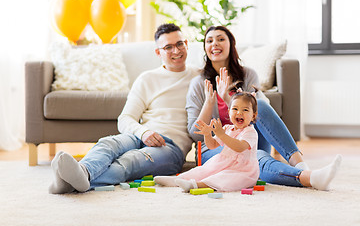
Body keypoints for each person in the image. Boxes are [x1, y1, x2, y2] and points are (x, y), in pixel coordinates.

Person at [184, 25, 341, 191]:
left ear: (231, 44)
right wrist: (210, 102)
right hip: (215, 150)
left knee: (261, 106)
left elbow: (258, 114)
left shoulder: (248, 75)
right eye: (209, 41)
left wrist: (227, 99)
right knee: (256, 158)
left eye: (221, 39)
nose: (215, 44)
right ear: (205, 49)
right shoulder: (198, 83)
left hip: (249, 140)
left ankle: (301, 165)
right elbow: (195, 134)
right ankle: (311, 178)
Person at [48, 23, 199, 194]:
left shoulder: (199, 77)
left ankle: (68, 183)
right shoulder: (147, 79)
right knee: (108, 143)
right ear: (158, 52)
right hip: (140, 135)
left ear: (186, 44)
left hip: (171, 148)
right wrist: (144, 133)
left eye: (180, 44)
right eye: (168, 47)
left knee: (129, 161)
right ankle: (83, 172)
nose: (176, 51)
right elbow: (125, 118)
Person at [155, 90, 260, 193]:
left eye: (245, 110)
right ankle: (177, 180)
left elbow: (239, 147)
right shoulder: (227, 129)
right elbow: (212, 145)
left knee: (224, 178)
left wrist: (222, 135)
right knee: (203, 170)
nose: (239, 112)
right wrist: (207, 134)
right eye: (235, 109)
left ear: (253, 115)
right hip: (224, 163)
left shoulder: (250, 132)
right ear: (229, 112)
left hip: (243, 171)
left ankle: (194, 185)